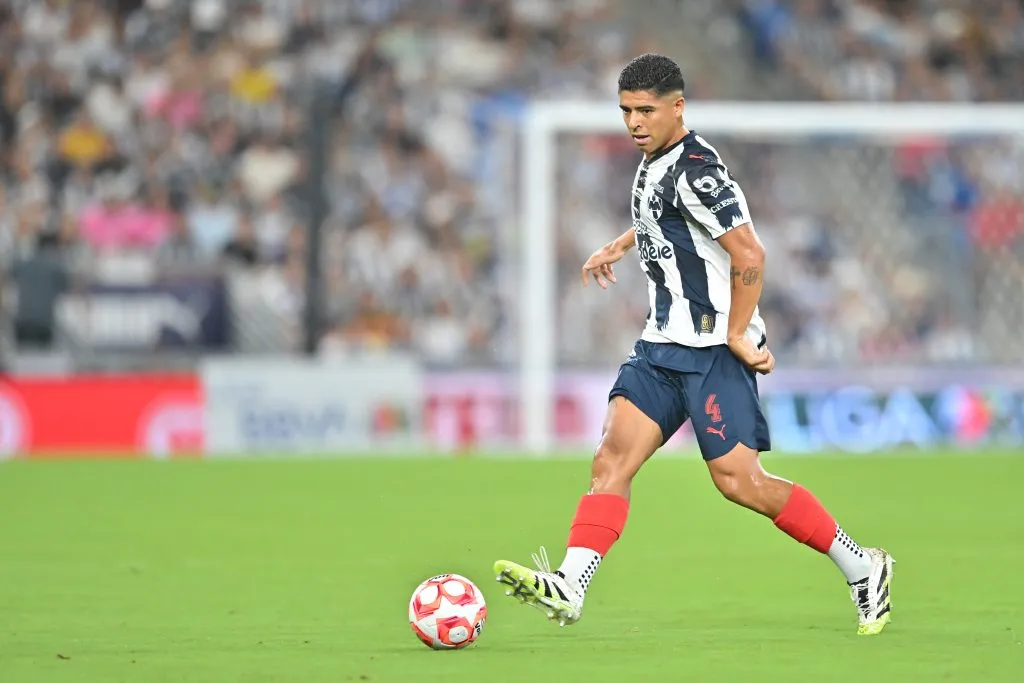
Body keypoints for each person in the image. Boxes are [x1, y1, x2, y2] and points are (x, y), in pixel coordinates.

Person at [493, 54, 894, 636]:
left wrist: (736, 333)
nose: (633, 122)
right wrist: (621, 244)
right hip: (661, 346)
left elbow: (750, 253)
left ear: (677, 107)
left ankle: (862, 565)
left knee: (740, 483)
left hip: (712, 352)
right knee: (610, 459)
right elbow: (666, 216)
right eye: (626, 111)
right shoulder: (656, 161)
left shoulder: (698, 170)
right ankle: (569, 586)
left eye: (645, 110)